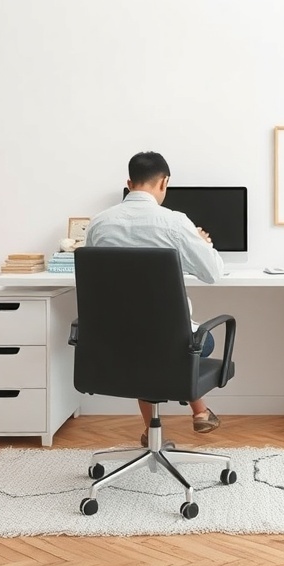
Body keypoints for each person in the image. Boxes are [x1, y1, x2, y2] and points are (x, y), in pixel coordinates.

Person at [84, 151, 225, 446]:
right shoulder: (174, 223)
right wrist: (201, 244)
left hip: (114, 342)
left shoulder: (99, 224)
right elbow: (213, 273)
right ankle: (199, 412)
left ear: (129, 183)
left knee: (141, 344)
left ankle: (154, 429)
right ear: (164, 182)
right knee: (178, 343)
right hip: (168, 344)